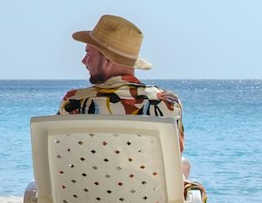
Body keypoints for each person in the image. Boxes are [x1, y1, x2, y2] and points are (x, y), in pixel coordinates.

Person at [61, 14, 188, 171]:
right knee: (184, 165)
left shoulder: (73, 101)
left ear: (108, 60)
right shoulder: (166, 102)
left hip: (85, 191)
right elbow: (174, 155)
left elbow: (61, 155)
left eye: (89, 54)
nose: (83, 60)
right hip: (147, 193)